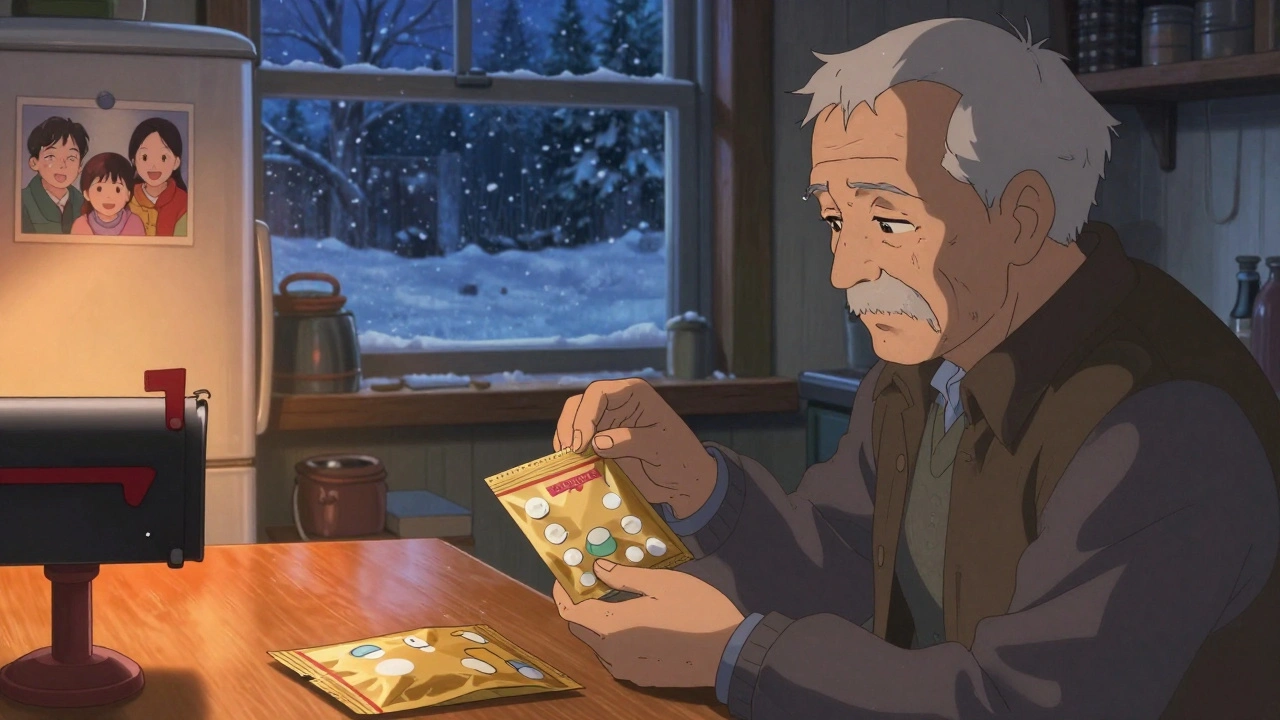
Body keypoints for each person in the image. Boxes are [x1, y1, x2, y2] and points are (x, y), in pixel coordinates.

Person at [552, 18, 1280, 720]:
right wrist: (699, 487)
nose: (845, 270)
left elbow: (1024, 703)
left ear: (1022, 216)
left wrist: (733, 655)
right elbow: (842, 569)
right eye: (837, 221)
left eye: (889, 222)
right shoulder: (927, 370)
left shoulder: (1165, 423)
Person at [21, 116, 89, 234]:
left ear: (80, 167)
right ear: (34, 162)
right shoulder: (21, 201)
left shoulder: (84, 204)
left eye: (71, 158)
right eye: (51, 156)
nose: (62, 165)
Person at [126, 117, 188, 236]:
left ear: (176, 162)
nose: (154, 166)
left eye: (163, 158)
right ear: (134, 160)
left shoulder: (184, 202)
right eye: (145, 157)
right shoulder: (125, 199)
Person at [71, 152, 146, 237]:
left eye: (117, 189)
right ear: (87, 194)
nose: (109, 196)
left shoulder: (134, 223)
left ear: (128, 195)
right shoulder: (81, 225)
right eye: (99, 189)